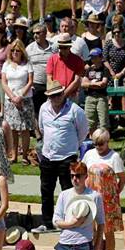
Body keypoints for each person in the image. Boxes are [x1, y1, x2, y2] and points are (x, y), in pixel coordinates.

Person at [35, 80, 88, 233]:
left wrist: (71, 146)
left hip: (67, 157)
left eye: (58, 94)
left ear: (63, 93)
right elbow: (42, 128)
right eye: (52, 96)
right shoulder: (44, 108)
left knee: (69, 190)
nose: (55, 98)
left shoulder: (75, 110)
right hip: (48, 156)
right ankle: (47, 222)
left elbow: (83, 132)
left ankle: (69, 222)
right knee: (46, 191)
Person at [82, 128, 125, 250]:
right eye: (96, 144)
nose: (98, 147)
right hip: (91, 199)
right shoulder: (89, 155)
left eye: (101, 143)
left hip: (108, 201)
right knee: (94, 231)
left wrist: (115, 193)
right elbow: (83, 172)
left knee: (108, 232)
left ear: (107, 142)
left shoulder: (114, 157)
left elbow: (123, 178)